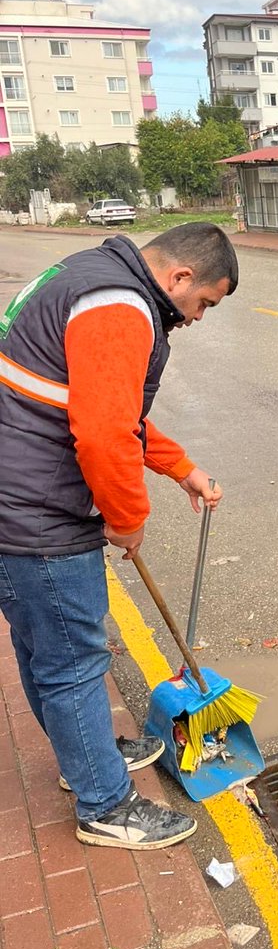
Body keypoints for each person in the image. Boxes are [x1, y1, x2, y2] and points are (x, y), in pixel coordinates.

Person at [0, 223, 238, 849]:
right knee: (73, 662)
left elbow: (101, 405)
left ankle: (87, 756)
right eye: (204, 304)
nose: (198, 317)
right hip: (38, 511)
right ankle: (105, 803)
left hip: (16, 495)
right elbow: (105, 436)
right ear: (180, 278)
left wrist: (180, 467)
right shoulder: (120, 307)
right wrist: (127, 518)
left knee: (43, 649)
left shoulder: (92, 275)